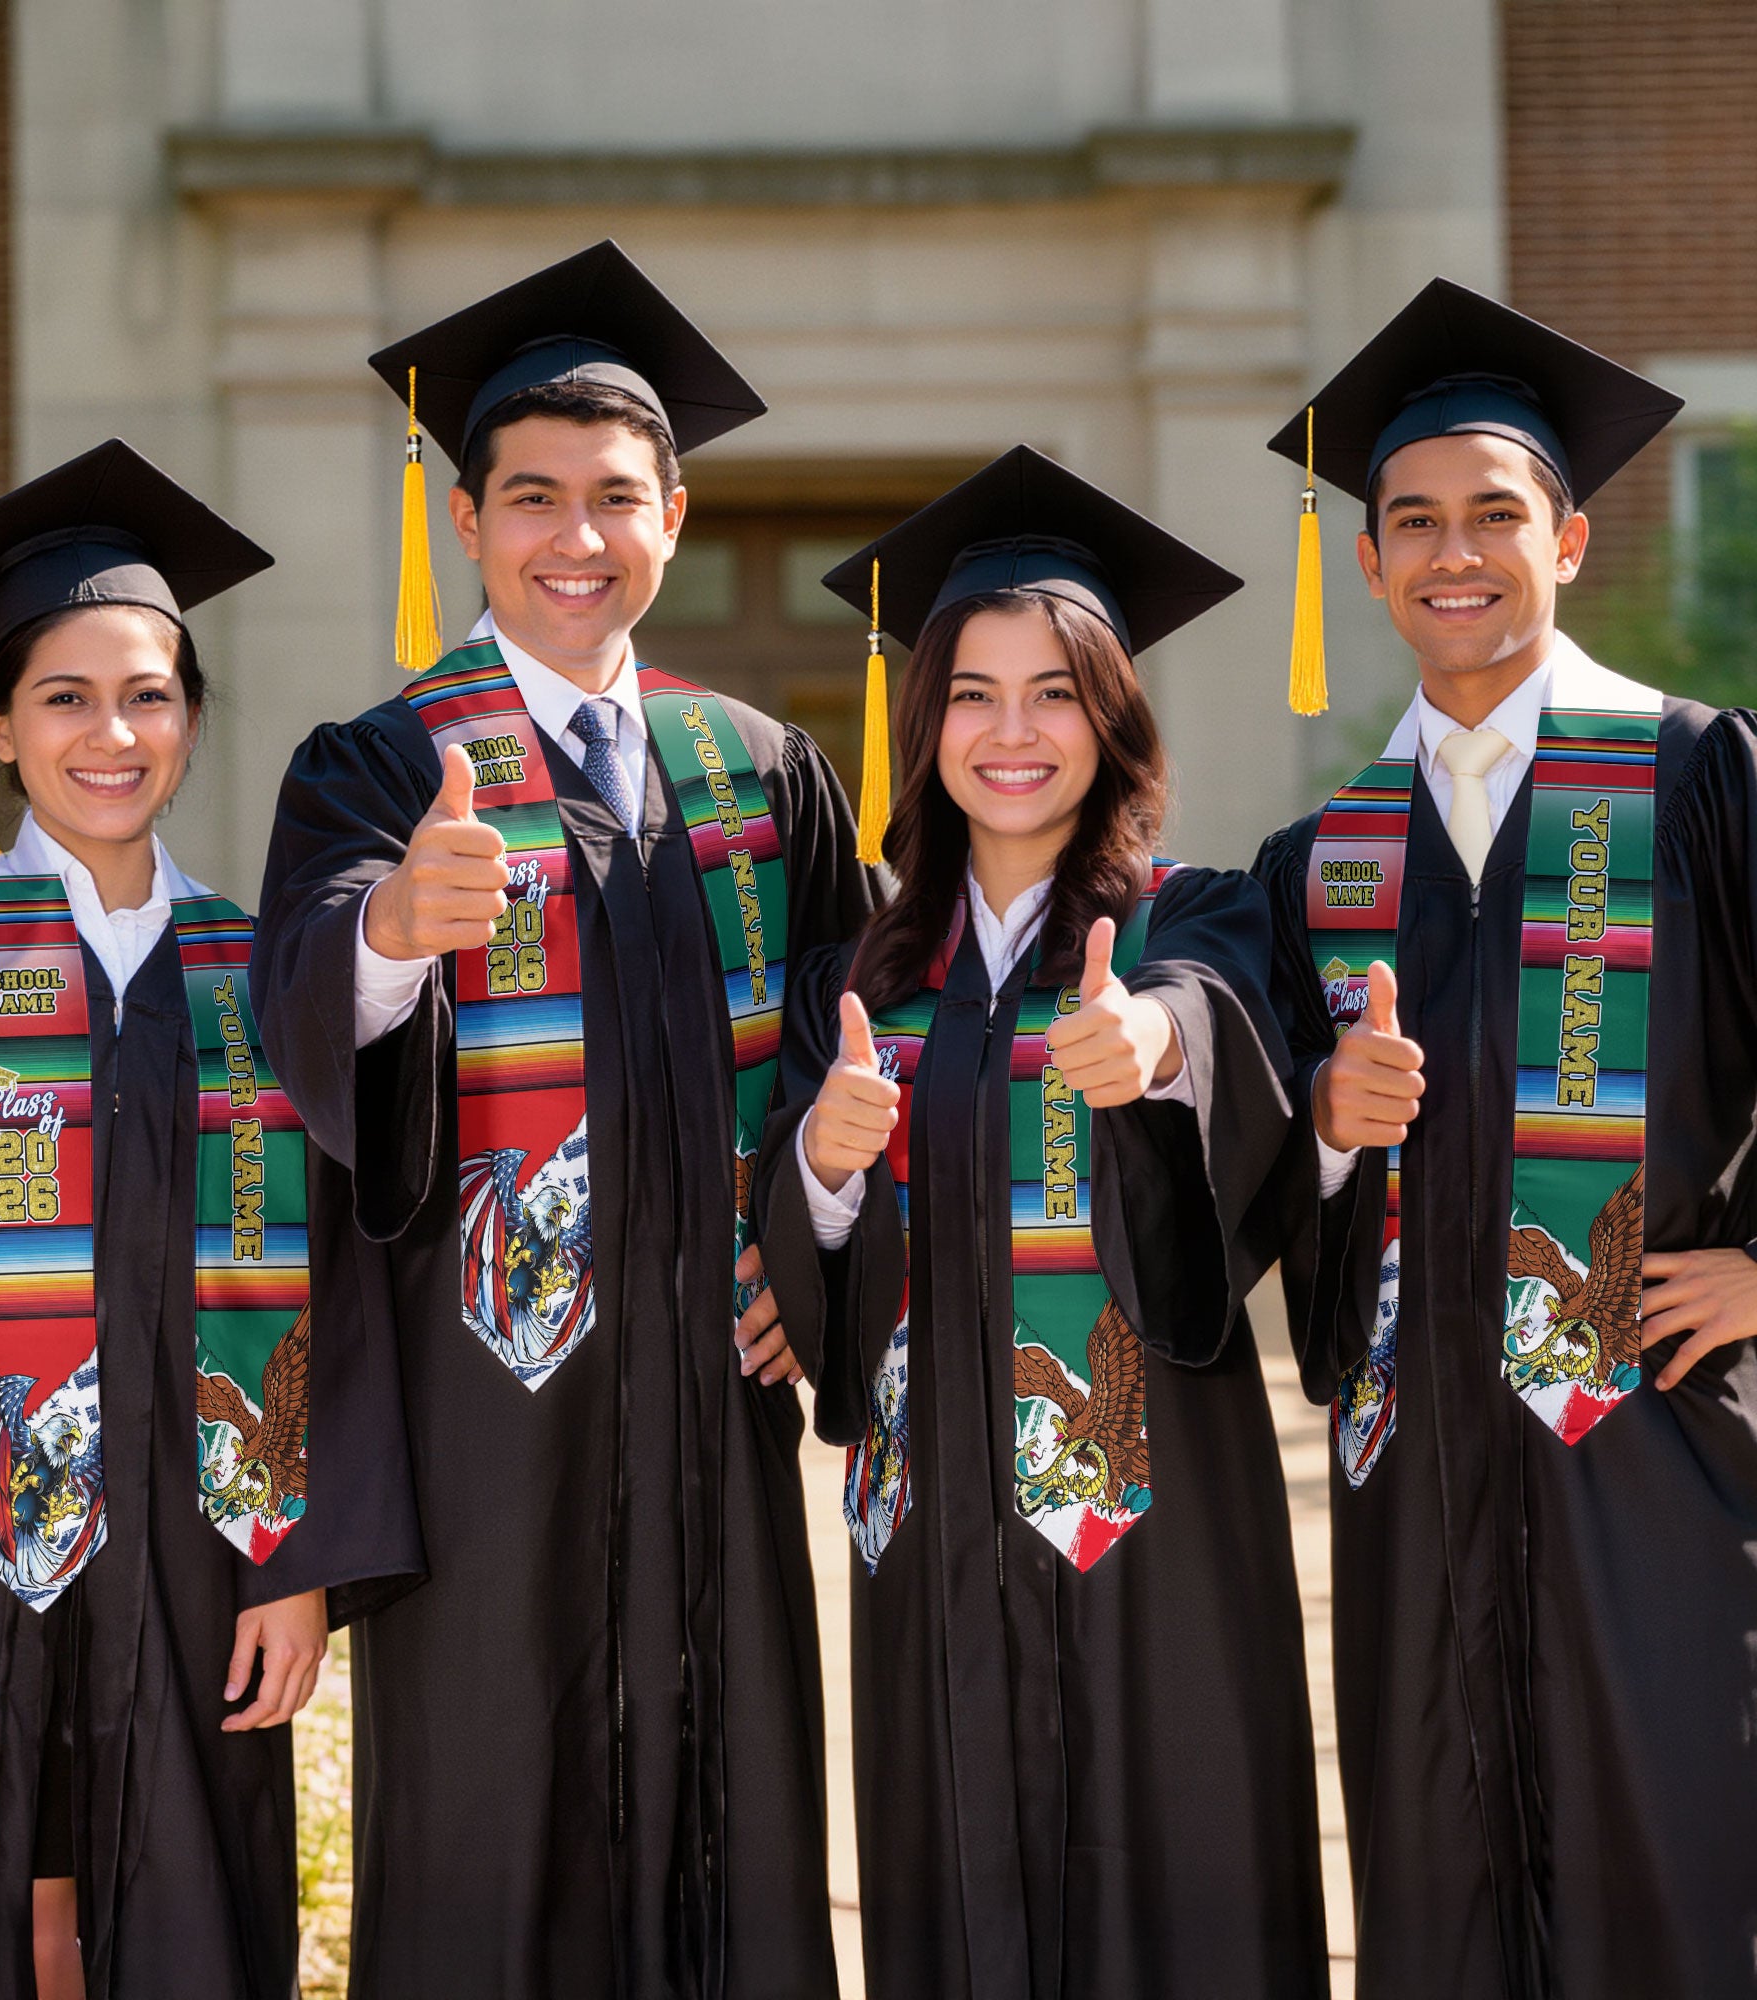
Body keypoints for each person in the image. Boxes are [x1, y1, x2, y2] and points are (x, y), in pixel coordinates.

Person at [253, 241, 879, 1999]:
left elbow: (866, 1044)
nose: (576, 538)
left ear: (674, 514)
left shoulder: (760, 766)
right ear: (468, 521)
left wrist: (813, 1251)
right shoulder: (379, 764)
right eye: (533, 499)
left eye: (617, 498)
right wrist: (391, 930)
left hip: (715, 1405)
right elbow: (302, 1010)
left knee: (733, 1817)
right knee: (492, 1837)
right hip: (489, 1417)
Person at [0, 440, 407, 2000]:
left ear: (190, 719)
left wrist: (299, 1558)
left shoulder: (266, 971)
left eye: (149, 695)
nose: (111, 734)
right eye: (63, 696)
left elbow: (347, 1281)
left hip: (198, 1546)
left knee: (178, 1901)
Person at [754, 447, 1328, 1999]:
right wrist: (819, 1158)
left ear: (1115, 717)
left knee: (1181, 1891)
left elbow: (1226, 1032)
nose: (1014, 734)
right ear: (923, 720)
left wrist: (1154, 1050)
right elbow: (806, 1262)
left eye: (1057, 692)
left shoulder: (1196, 916)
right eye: (973, 694)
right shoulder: (855, 980)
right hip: (930, 1527)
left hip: (1156, 1529)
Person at [1255, 279, 1757, 1999]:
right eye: (1412, 522)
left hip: (1657, 1457)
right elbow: (1258, 1174)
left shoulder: (1695, 778)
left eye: (1494, 515)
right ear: (1373, 561)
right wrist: (1322, 1130)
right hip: (1418, 1480)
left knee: (1676, 1870)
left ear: (1572, 536)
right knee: (1438, 1883)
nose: (1451, 553)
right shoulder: (1322, 857)